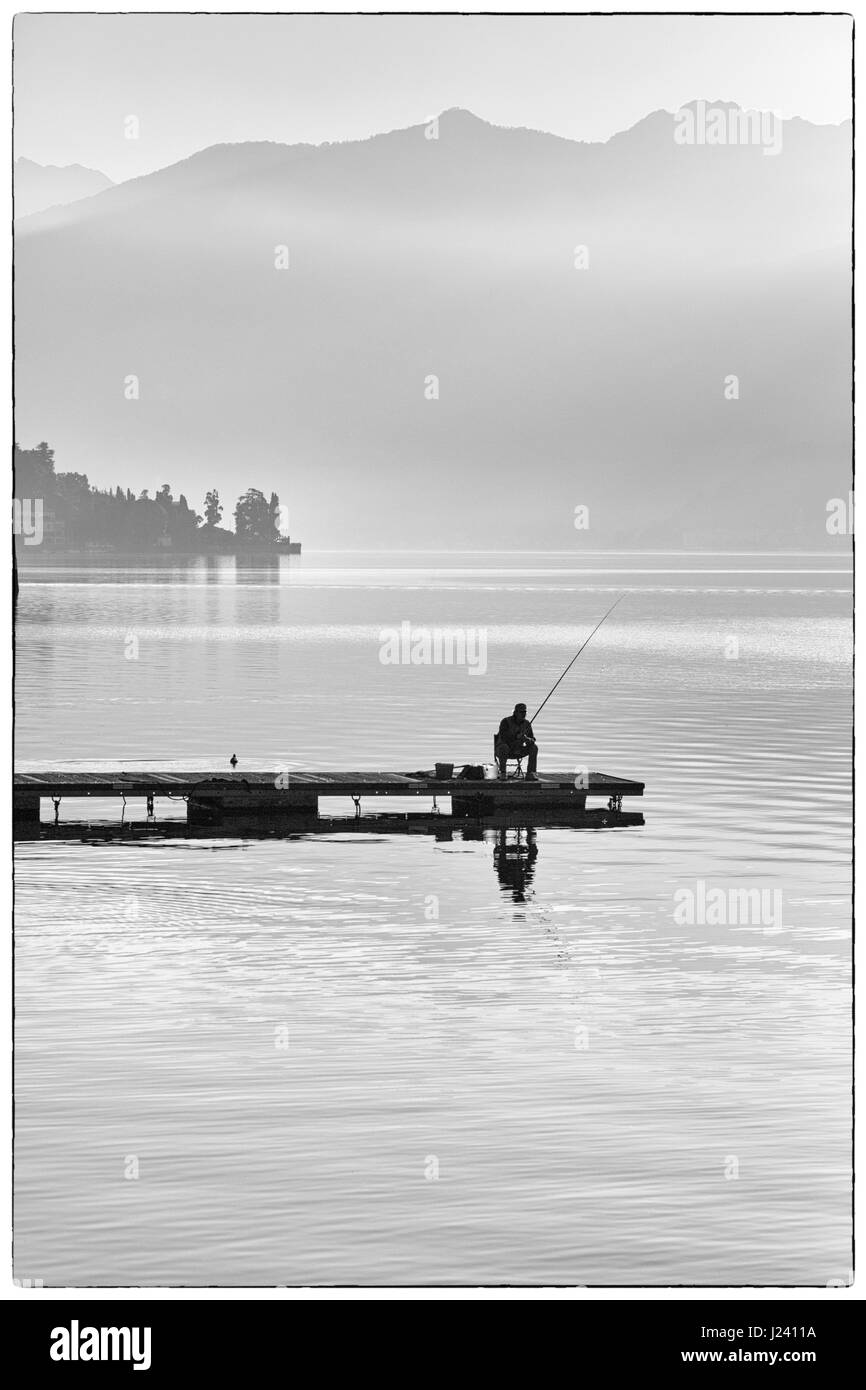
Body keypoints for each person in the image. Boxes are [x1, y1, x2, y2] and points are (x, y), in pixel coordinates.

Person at [496, 703, 539, 780]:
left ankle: (531, 773)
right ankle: (503, 772)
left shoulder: (527, 723)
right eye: (521, 712)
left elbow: (532, 739)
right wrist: (516, 737)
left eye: (525, 712)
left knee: (534, 747)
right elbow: (503, 737)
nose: (523, 714)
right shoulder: (505, 721)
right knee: (503, 747)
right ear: (515, 712)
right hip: (506, 749)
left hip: (519, 749)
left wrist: (527, 739)